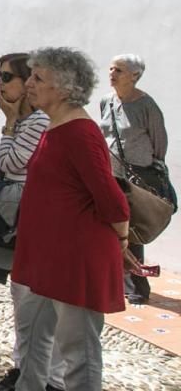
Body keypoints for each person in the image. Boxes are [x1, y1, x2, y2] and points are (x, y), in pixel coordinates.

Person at [11, 47, 139, 391]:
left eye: (39, 78)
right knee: (31, 336)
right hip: (44, 258)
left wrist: (122, 242)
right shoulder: (53, 127)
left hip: (75, 259)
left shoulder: (81, 132)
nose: (29, 84)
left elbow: (112, 200)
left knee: (77, 352)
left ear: (64, 88)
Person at [0, 53, 64, 391]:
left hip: (37, 220)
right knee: (22, 295)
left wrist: (9, 121)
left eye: (6, 77)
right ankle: (24, 367)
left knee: (35, 300)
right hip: (21, 221)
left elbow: (11, 163)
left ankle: (49, 378)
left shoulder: (37, 121)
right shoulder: (28, 122)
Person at [98, 53, 171, 304]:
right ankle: (119, 283)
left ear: (134, 76)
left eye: (118, 70)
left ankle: (138, 288)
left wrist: (148, 167)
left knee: (132, 232)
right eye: (110, 68)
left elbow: (159, 141)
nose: (112, 74)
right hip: (111, 175)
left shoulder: (146, 105)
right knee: (113, 229)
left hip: (137, 177)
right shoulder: (106, 102)